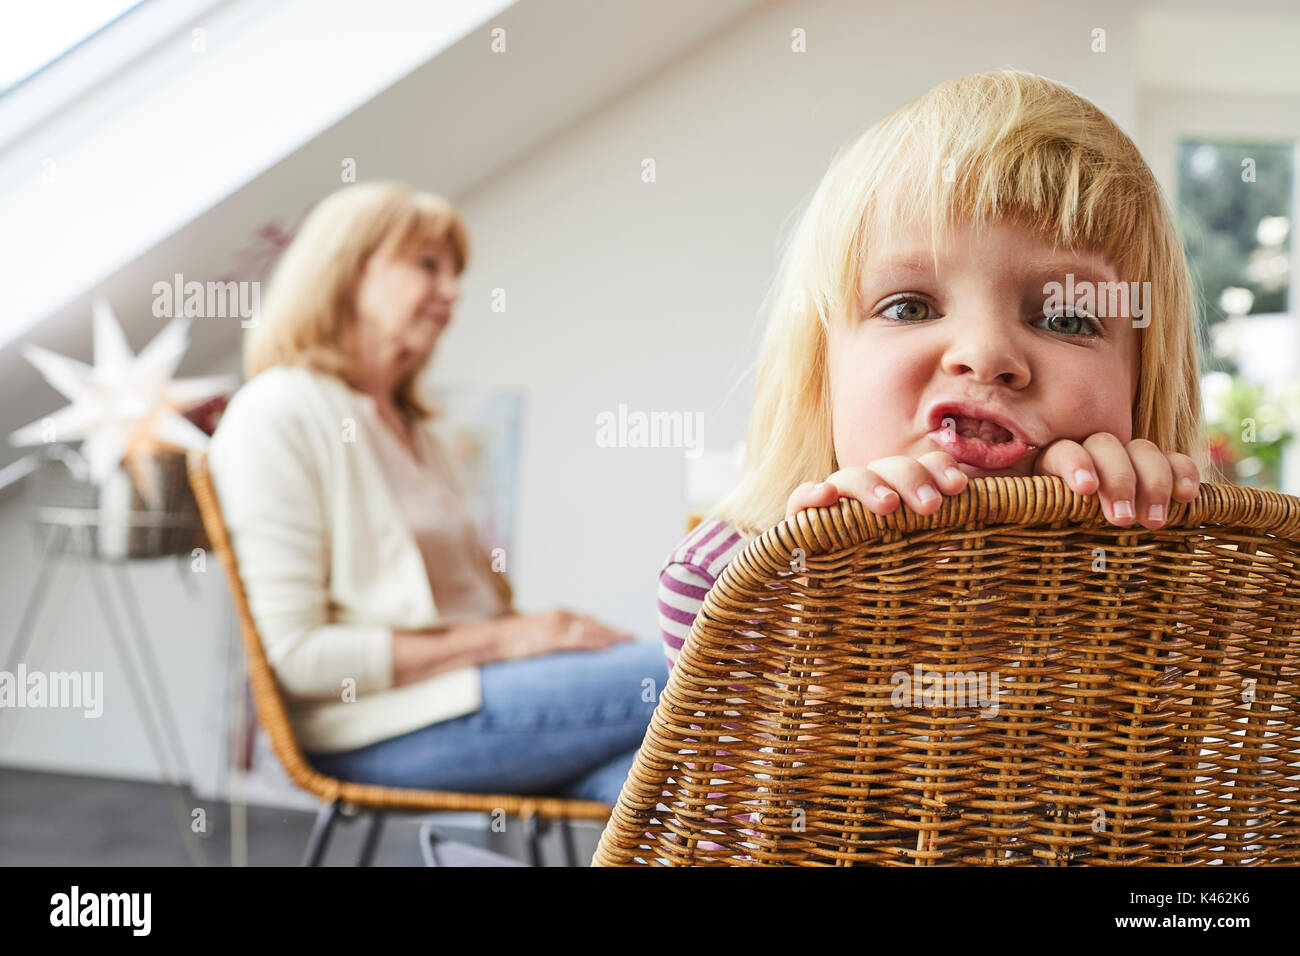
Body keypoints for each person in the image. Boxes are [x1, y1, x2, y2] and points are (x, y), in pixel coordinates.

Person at [658, 69, 1206, 669]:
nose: (987, 353)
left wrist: (1151, 559)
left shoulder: (1179, 586)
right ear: (824, 372)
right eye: (910, 307)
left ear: (1141, 382)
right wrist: (830, 600)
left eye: (1067, 319)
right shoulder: (733, 584)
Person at [209, 181, 667, 807]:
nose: (452, 292)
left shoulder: (411, 427)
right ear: (346, 272)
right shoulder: (277, 412)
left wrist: (535, 637)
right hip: (377, 729)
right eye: (428, 265)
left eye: (455, 272)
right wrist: (510, 640)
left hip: (484, 692)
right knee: (700, 672)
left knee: (677, 778)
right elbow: (296, 655)